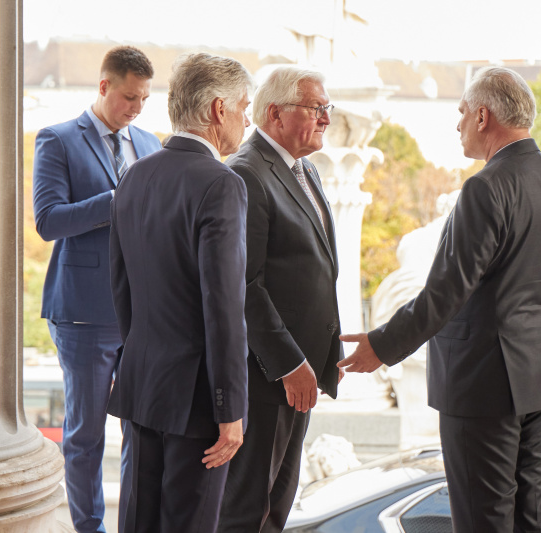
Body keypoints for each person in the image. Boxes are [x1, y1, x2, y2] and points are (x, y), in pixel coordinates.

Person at [339, 67, 541, 533]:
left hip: (485, 384)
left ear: (483, 116)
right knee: (533, 517)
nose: (457, 123)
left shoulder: (485, 188)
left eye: (462, 112)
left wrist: (382, 346)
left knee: (483, 521)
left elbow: (446, 291)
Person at [106, 52, 252, 533]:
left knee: (137, 523)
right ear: (217, 110)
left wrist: (141, 361)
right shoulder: (221, 185)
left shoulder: (133, 176)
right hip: (196, 404)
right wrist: (231, 410)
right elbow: (224, 306)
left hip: (142, 387)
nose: (246, 120)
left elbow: (121, 288)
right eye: (243, 107)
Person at [32, 45, 161, 533]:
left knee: (142, 430)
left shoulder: (150, 143)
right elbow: (47, 221)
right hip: (84, 313)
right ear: (104, 86)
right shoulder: (58, 139)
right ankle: (89, 529)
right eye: (129, 97)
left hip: (144, 312)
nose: (135, 108)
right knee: (86, 435)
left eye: (144, 99)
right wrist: (118, 200)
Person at [216, 66, 343, 533]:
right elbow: (244, 285)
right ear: (275, 112)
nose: (327, 118)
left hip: (299, 378)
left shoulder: (305, 169)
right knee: (247, 511)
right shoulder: (248, 173)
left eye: (327, 108)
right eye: (317, 108)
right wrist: (289, 363)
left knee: (278, 508)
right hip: (268, 377)